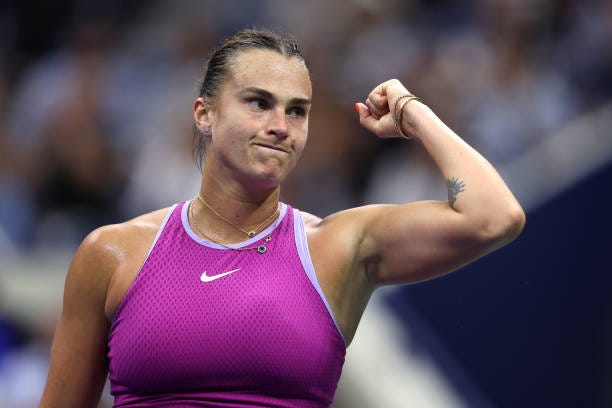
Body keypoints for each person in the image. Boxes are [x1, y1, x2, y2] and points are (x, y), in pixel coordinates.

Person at [39, 28, 525, 408]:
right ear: (204, 114)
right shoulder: (111, 254)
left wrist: (410, 109)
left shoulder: (338, 247)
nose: (280, 126)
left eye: (298, 111)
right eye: (258, 102)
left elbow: (494, 216)